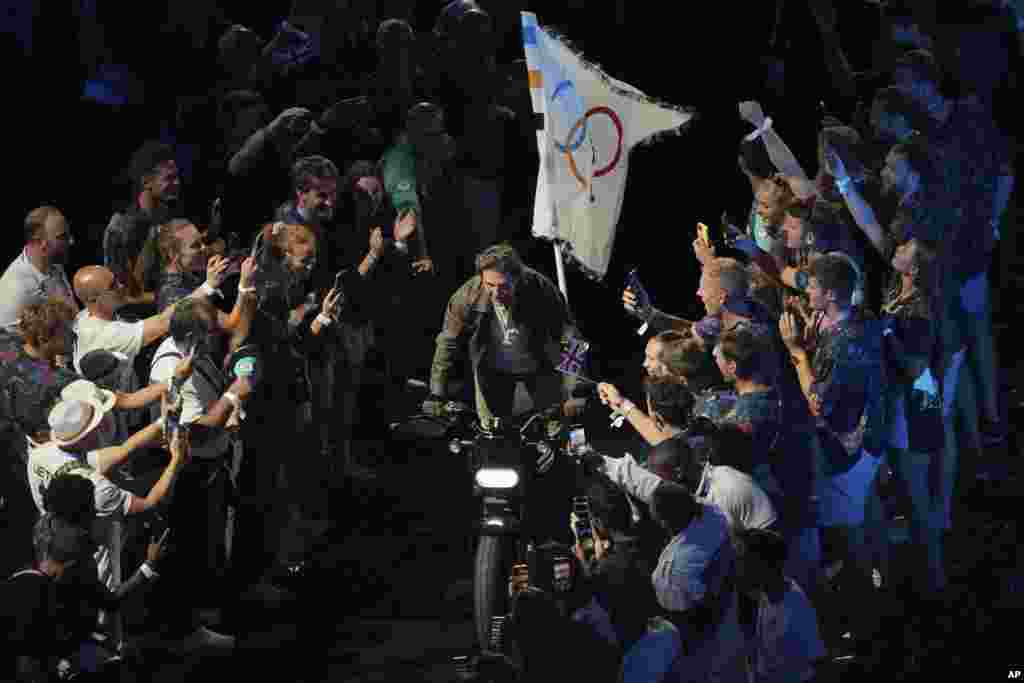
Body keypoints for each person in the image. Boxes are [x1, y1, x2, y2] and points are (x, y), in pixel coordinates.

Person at [424, 244, 584, 429]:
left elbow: (572, 339)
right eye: (489, 285)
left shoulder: (541, 289)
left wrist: (574, 389)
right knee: (491, 433)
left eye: (503, 286)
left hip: (539, 365)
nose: (496, 294)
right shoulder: (467, 296)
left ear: (517, 278)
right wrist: (436, 393)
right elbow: (447, 343)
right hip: (491, 369)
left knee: (554, 428)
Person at [4, 513, 167, 680]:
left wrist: (148, 566)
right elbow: (26, 664)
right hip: (53, 664)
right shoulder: (22, 590)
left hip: (79, 651)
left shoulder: (77, 574)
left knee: (123, 664)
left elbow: (110, 600)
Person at [648, 482, 746, 682]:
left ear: (665, 523)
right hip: (725, 609)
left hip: (697, 630)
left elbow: (700, 605)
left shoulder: (676, 568)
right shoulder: (713, 512)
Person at [70, 257, 228, 375]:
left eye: (116, 280)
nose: (121, 286)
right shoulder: (109, 335)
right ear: (93, 299)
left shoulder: (83, 316)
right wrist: (208, 286)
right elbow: (164, 321)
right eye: (112, 286)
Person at [732, 528, 826, 683]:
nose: (737, 568)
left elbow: (816, 663)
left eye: (743, 560)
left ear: (763, 564)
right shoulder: (763, 593)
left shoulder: (795, 608)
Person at [103, 141, 184, 303]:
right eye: (169, 178)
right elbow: (124, 294)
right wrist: (177, 297)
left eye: (177, 176)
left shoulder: (167, 216)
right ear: (146, 182)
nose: (177, 183)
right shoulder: (120, 227)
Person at [0, 206, 78, 331]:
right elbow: (8, 346)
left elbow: (73, 318)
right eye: (63, 237)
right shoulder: (16, 288)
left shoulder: (53, 265)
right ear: (41, 242)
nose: (71, 241)